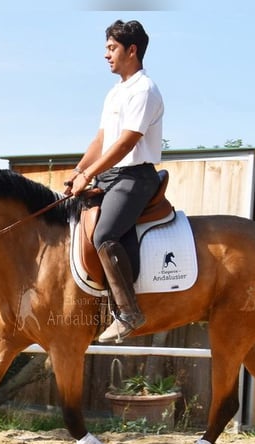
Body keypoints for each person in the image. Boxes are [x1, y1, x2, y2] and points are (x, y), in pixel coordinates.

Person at [67, 19, 164, 343]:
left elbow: (125, 143)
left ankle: (127, 311)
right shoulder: (115, 93)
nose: (106, 55)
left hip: (135, 176)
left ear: (132, 50)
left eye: (112, 48)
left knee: (106, 234)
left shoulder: (145, 90)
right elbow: (102, 139)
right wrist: (78, 170)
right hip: (109, 175)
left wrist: (89, 174)